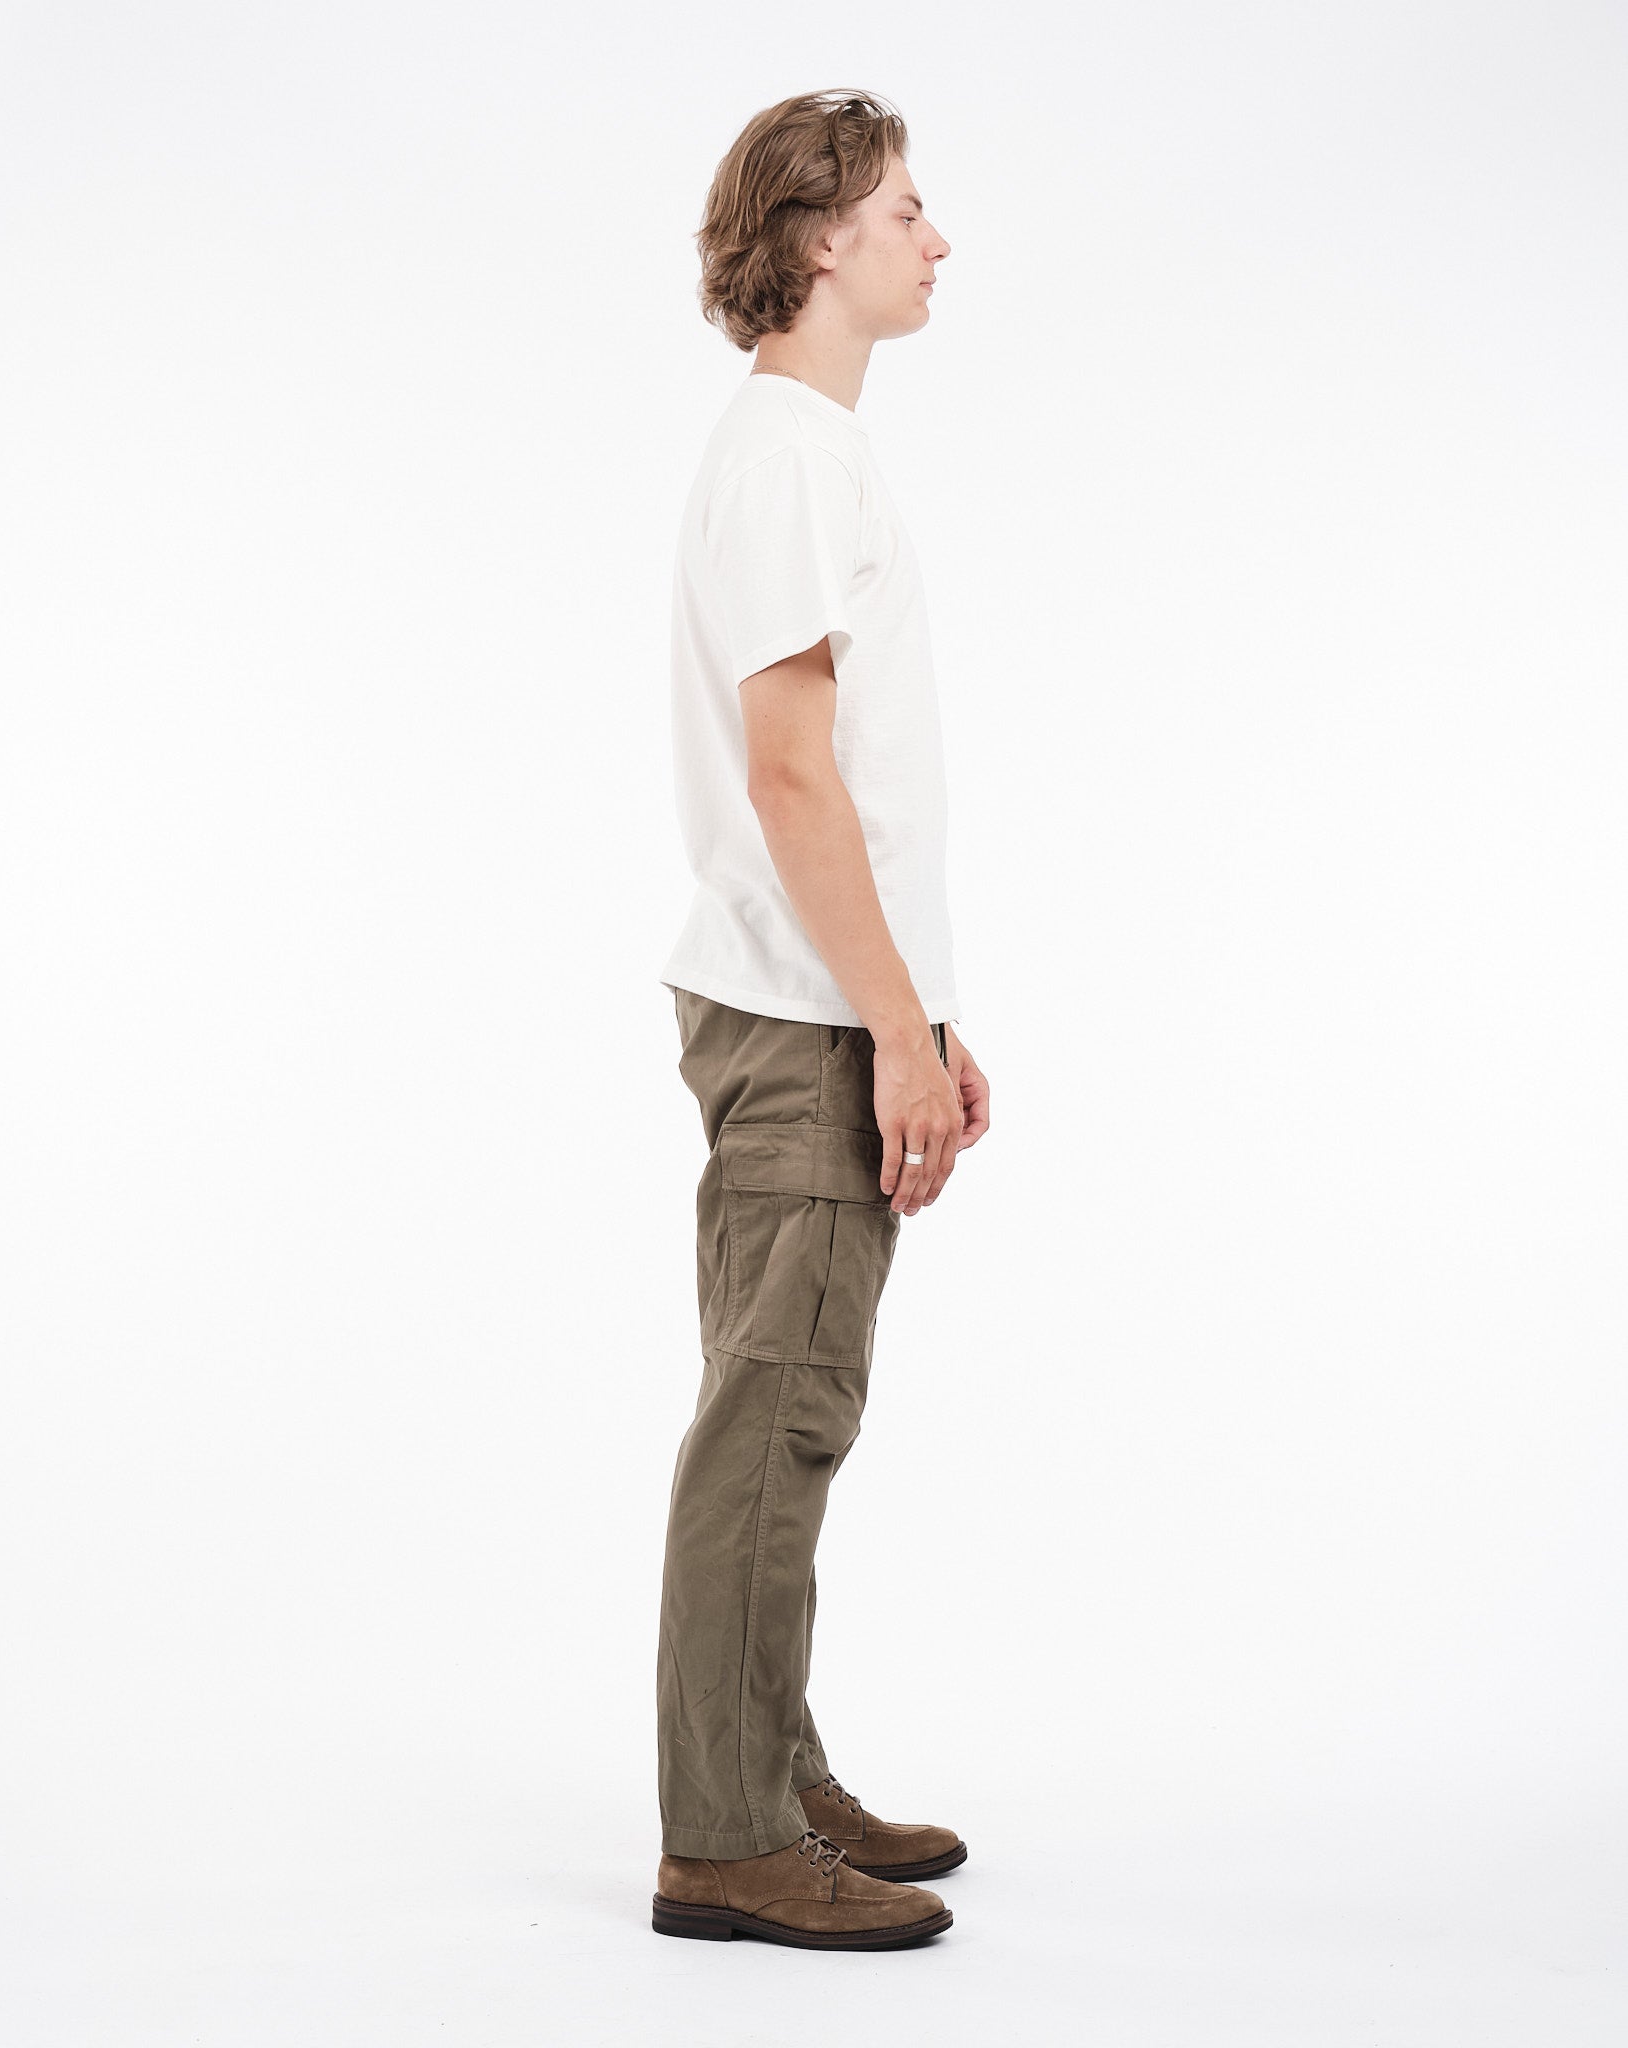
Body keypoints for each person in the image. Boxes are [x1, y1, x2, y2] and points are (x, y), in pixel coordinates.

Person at [652, 89, 992, 1954]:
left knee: (790, 1413)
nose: (936, 240)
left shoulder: (808, 453)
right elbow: (790, 781)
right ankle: (722, 1836)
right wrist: (889, 1035)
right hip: (797, 1022)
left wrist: (919, 1017)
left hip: (822, 1008)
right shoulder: (788, 458)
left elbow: (843, 781)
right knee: (770, 1420)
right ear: (815, 239)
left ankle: (770, 1776)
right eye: (907, 209)